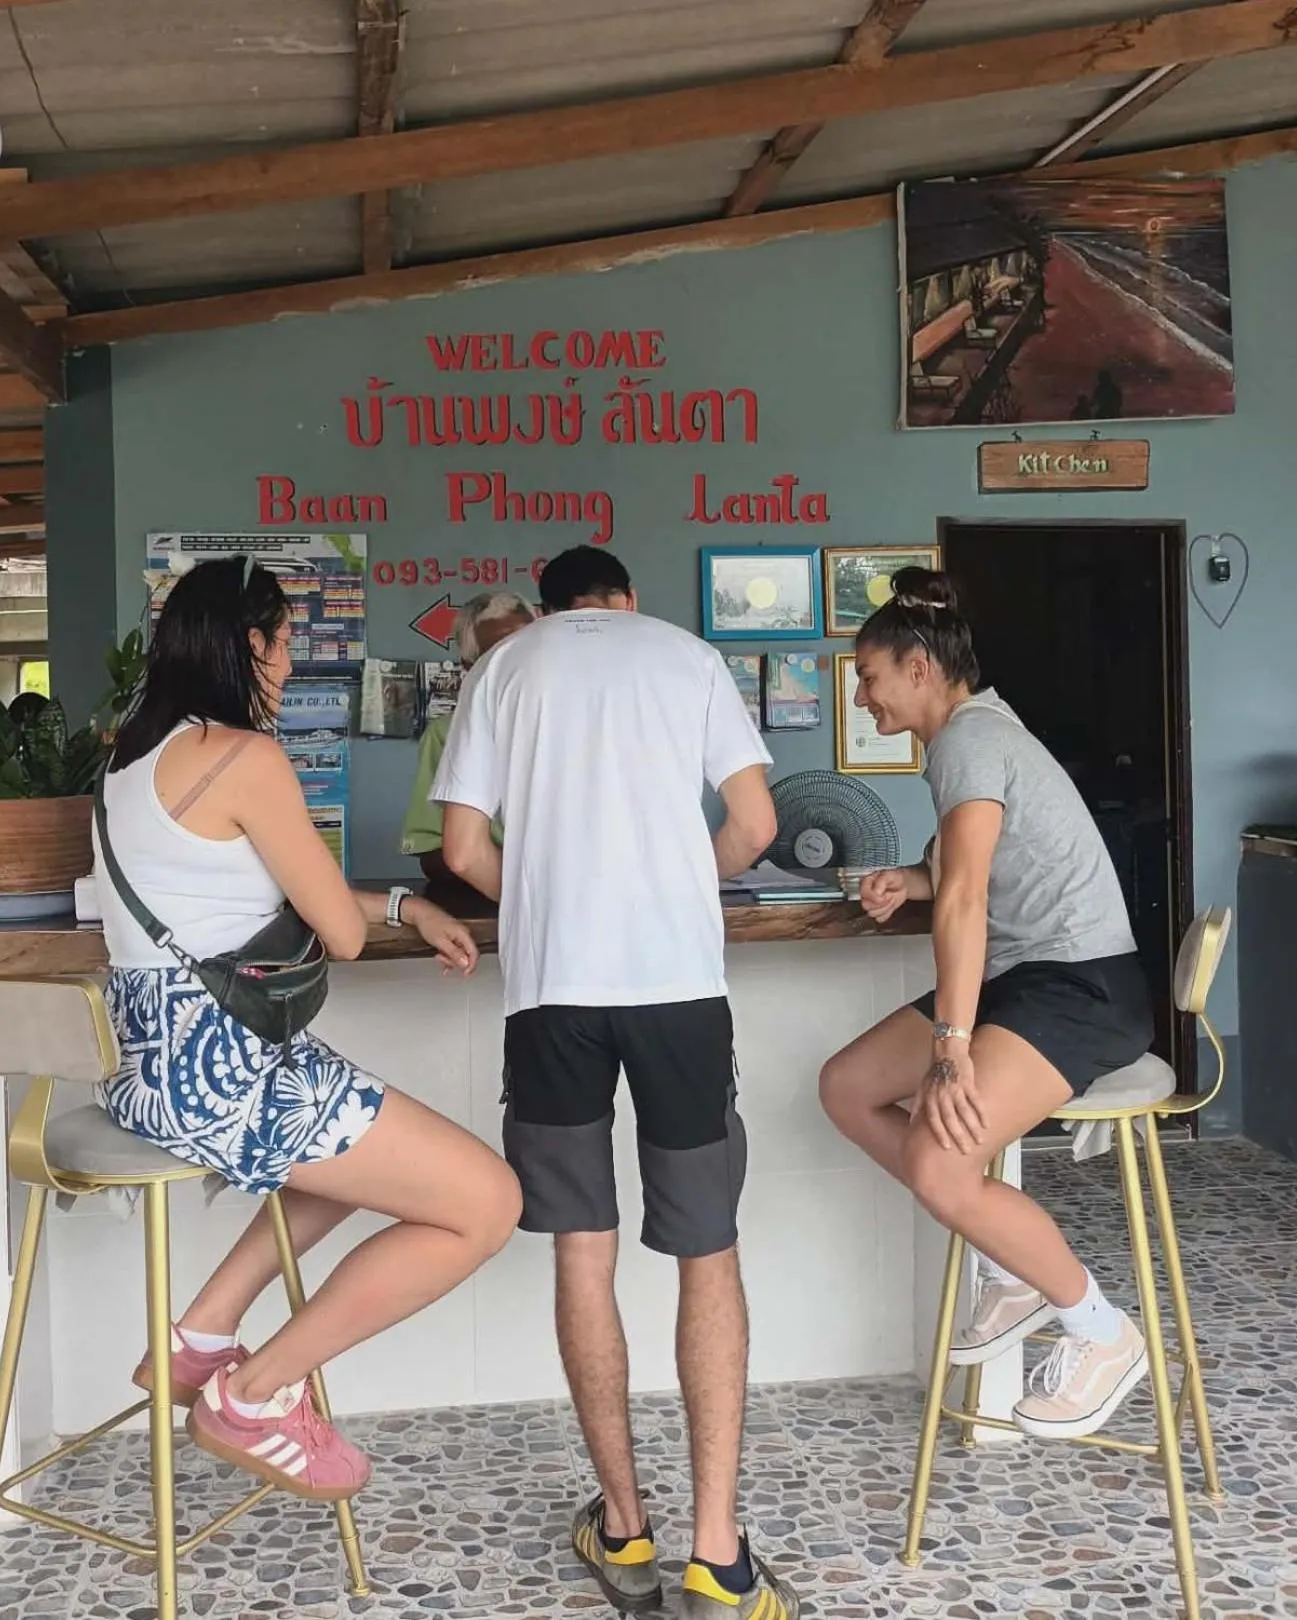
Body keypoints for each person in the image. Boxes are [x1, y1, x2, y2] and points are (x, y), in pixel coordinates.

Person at [94, 555, 521, 1500]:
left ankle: (200, 1336)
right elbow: (332, 929)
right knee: (487, 1204)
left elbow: (256, 892)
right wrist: (382, 916)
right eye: (284, 641)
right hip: (231, 1066)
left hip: (159, 1064)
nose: (291, 662)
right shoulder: (245, 758)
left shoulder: (128, 759)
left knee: (345, 1170)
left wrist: (405, 907)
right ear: (246, 644)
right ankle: (253, 1394)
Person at [431, 546, 798, 1620]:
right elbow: (760, 827)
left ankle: (626, 1531)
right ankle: (717, 1559)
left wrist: (546, 894)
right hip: (678, 994)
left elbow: (460, 846)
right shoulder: (685, 657)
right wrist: (679, 881)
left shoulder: (504, 668)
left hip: (552, 998)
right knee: (707, 1255)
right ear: (628, 601)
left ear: (546, 610)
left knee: (582, 1255)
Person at [819, 568, 1154, 1442]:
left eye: (869, 676)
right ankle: (1010, 1259)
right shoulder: (971, 736)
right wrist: (914, 877)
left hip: (1081, 986)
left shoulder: (969, 739)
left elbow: (967, 901)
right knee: (848, 1085)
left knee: (938, 1166)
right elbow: (968, 871)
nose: (862, 698)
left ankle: (1101, 1330)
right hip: (1030, 975)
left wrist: (951, 1044)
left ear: (920, 669)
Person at [401, 591, 535, 883]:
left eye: (528, 650)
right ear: (471, 668)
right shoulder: (445, 735)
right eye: (500, 658)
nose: (519, 667)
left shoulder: (570, 726)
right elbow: (433, 854)